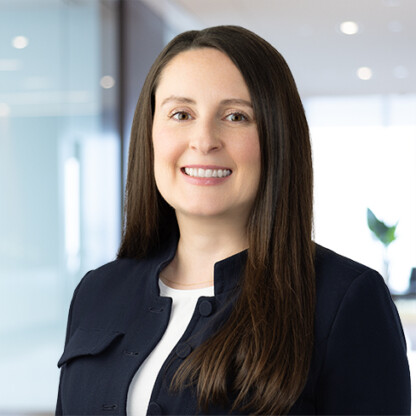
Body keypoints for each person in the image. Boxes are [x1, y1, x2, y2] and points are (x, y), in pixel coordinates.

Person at [55, 25, 410, 415]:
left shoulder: (344, 300)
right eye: (181, 113)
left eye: (236, 116)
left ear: (278, 137)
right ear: (150, 133)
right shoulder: (97, 291)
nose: (204, 139)